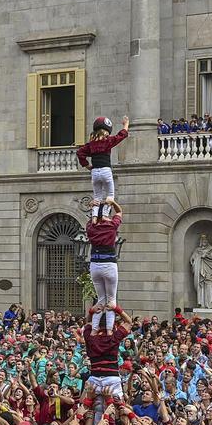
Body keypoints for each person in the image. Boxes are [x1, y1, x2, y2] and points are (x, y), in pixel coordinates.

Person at [76, 116, 130, 218]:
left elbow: (79, 153)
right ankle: (105, 214)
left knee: (97, 197)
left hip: (95, 172)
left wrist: (87, 165)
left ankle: (94, 217)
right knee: (110, 195)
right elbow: (121, 135)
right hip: (106, 171)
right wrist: (126, 124)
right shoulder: (108, 141)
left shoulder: (91, 144)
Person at [86, 199, 123, 331]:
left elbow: (92, 221)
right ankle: (109, 330)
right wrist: (113, 202)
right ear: (107, 215)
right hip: (109, 265)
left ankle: (94, 330)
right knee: (111, 301)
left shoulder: (91, 227)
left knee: (100, 300)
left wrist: (93, 210)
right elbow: (119, 212)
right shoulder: (112, 225)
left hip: (95, 265)